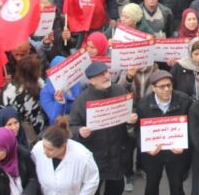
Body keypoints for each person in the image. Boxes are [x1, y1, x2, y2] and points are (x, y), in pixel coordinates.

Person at [69, 62, 136, 194]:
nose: (106, 76)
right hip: (96, 157)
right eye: (101, 75)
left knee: (116, 189)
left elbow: (131, 109)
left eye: (106, 72)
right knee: (94, 190)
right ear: (92, 80)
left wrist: (131, 119)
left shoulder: (120, 91)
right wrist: (80, 132)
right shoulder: (82, 100)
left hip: (117, 155)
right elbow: (72, 126)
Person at [31, 119, 99, 195]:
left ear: (63, 146)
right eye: (44, 147)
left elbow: (91, 182)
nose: (45, 151)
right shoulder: (37, 150)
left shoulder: (83, 157)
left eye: (50, 149)